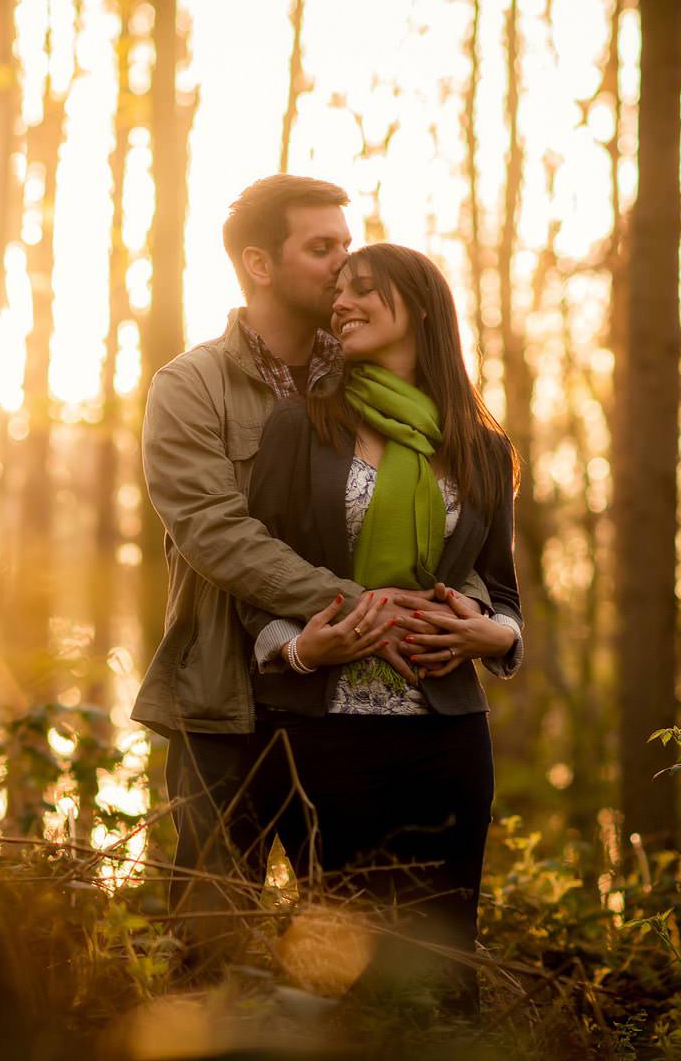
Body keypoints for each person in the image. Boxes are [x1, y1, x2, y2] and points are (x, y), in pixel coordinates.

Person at [131, 176, 477, 973]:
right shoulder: (192, 387)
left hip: (350, 707)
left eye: (346, 247)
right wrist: (365, 609)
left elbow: (452, 518)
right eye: (322, 249)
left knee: (358, 941)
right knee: (214, 945)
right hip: (226, 705)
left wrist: (475, 620)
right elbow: (215, 533)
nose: (344, 268)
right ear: (258, 263)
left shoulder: (375, 380)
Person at [234, 241, 524, 1014]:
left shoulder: (482, 448)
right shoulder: (303, 426)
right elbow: (255, 578)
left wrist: (496, 638)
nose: (343, 304)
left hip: (447, 736)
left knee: (444, 956)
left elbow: (501, 590)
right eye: (339, 295)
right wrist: (298, 647)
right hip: (324, 732)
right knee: (334, 961)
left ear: (420, 305)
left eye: (365, 290)